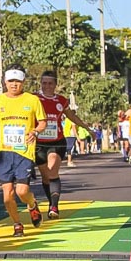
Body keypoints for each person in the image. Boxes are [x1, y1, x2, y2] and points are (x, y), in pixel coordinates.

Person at [0, 67, 47, 237]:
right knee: (7, 195)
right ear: (5, 83)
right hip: (5, 152)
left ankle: (32, 204)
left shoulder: (32, 100)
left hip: (25, 152)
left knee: (22, 191)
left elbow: (42, 122)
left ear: (23, 82)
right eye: (11, 81)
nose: (14, 85)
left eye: (17, 82)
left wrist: (35, 132)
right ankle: (17, 224)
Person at [35, 70, 91, 219]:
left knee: (52, 171)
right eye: (44, 83)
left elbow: (72, 116)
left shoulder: (61, 100)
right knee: (45, 176)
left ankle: (54, 206)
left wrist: (87, 128)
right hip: (39, 143)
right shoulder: (34, 98)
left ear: (55, 84)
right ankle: (50, 202)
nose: (47, 86)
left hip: (57, 141)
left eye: (50, 83)